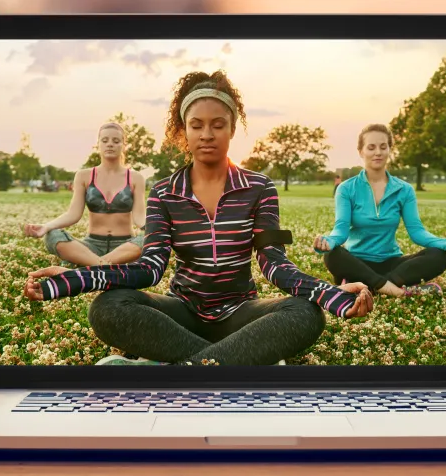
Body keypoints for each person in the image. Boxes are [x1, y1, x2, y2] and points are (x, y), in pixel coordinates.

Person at [24, 70, 374, 366]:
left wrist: (332, 295)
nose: (207, 134)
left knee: (305, 313)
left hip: (240, 314)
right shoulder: (164, 193)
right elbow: (150, 268)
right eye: (197, 125)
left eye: (218, 125)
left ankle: (173, 368)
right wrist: (76, 278)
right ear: (184, 131)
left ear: (232, 129)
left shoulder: (261, 187)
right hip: (181, 313)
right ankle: (231, 364)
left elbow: (275, 265)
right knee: (109, 306)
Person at [313, 124, 446, 297]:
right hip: (356, 262)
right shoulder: (346, 188)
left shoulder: (404, 189)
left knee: (439, 256)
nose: (378, 152)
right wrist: (329, 242)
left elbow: (417, 232)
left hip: (391, 263)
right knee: (332, 255)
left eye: (383, 147)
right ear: (361, 151)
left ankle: (367, 286)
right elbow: (341, 230)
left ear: (389, 150)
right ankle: (396, 291)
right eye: (371, 147)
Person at [22, 122, 146, 267]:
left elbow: (139, 217)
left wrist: (156, 229)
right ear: (98, 144)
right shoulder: (84, 176)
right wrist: (46, 226)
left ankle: (90, 265)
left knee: (150, 238)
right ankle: (107, 266)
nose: (110, 144)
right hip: (91, 246)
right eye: (104, 140)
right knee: (52, 235)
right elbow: (73, 214)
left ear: (124, 145)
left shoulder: (136, 178)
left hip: (125, 246)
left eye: (116, 141)